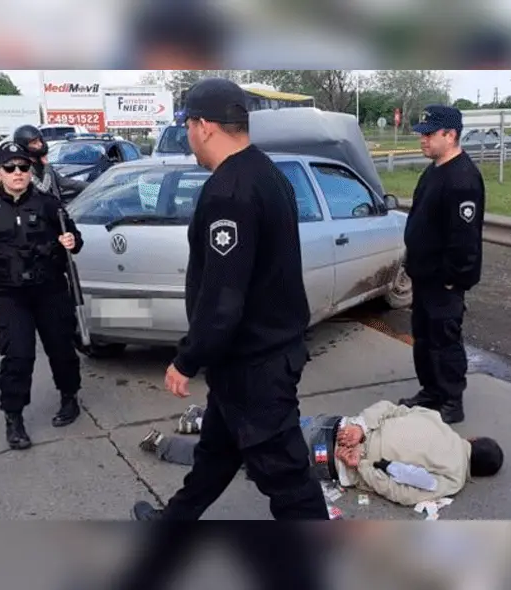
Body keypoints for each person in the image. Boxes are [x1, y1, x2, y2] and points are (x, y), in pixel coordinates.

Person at [130, 77, 327, 521]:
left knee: (289, 483)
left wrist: (186, 359)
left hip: (254, 368)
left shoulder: (229, 193)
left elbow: (222, 301)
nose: (189, 138)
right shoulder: (267, 172)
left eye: (188, 128)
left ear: (204, 126)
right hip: (253, 359)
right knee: (216, 456)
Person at [139, 401, 504, 508]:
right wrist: (358, 461)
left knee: (268, 420)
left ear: (472, 438)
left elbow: (392, 408)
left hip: (337, 426)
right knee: (247, 458)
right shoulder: (452, 481)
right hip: (333, 461)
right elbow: (405, 491)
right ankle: (166, 444)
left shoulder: (438, 420)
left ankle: (204, 418)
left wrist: (359, 426)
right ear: (477, 474)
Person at [0, 142, 84, 450]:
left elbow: (75, 240)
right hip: (11, 294)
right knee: (18, 355)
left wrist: (71, 240)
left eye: (24, 167)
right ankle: (13, 417)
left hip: (51, 290)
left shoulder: (49, 205)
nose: (18, 173)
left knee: (61, 349)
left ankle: (70, 398)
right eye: (10, 168)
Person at [398, 105, 485, 424]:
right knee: (424, 339)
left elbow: (464, 238)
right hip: (424, 276)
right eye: (422, 134)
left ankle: (450, 400)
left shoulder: (462, 178)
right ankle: (431, 391)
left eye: (429, 134)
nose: (422, 140)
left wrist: (454, 278)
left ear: (450, 135)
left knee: (444, 341)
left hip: (444, 281)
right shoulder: (434, 170)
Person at [12, 125, 88, 201]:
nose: (40, 144)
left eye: (40, 140)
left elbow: (64, 182)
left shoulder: (41, 163)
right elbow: (44, 190)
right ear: (24, 147)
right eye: (35, 143)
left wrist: (93, 187)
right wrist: (47, 166)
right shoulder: (25, 169)